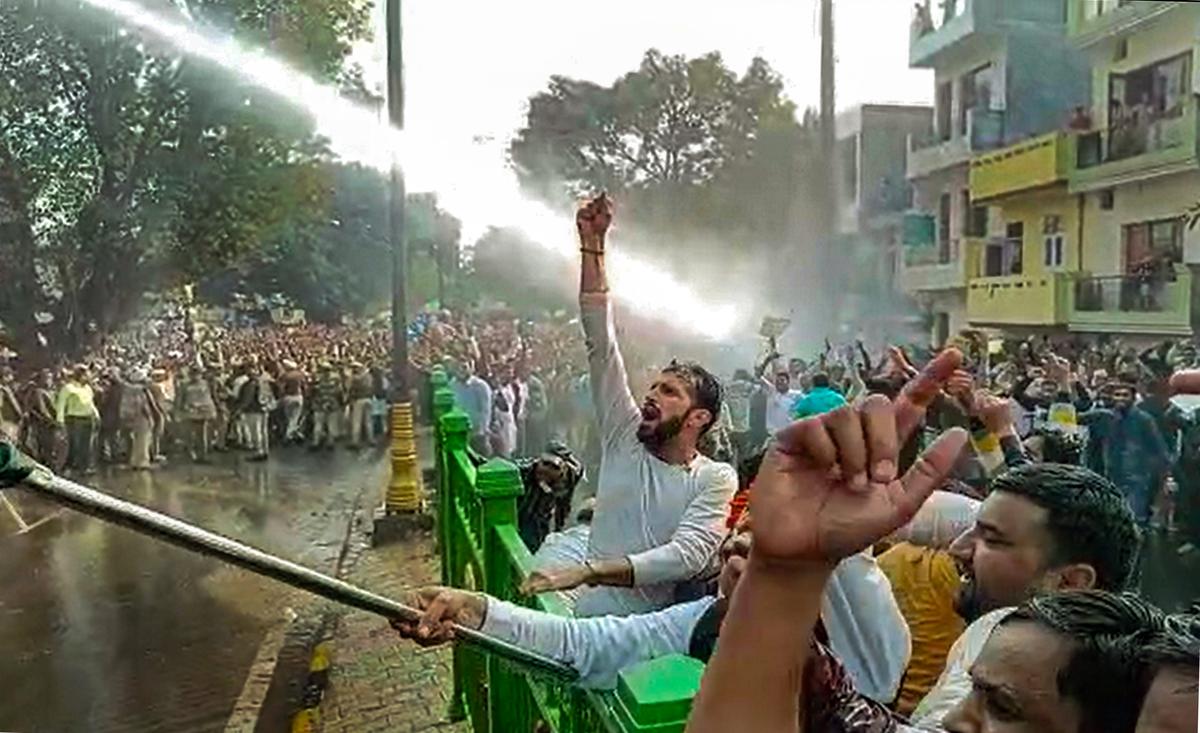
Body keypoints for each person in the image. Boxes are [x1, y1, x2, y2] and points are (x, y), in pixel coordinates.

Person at [391, 512, 912, 704]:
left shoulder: (860, 655)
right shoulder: (703, 621)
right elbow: (585, 646)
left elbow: (882, 668)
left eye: (763, 547)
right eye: (735, 540)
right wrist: (476, 610)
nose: (737, 551)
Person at [520, 195, 738, 618]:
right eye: (653, 386)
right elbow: (600, 343)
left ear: (699, 418)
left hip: (646, 644)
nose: (652, 394)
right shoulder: (625, 433)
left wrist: (589, 572)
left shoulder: (714, 478)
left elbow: (687, 556)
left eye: (670, 391)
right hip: (588, 620)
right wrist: (592, 247)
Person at [1078, 379, 1170, 527]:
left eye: (1125, 395)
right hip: (1111, 475)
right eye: (1117, 395)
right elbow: (1076, 417)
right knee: (1113, 520)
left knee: (1134, 520)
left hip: (1137, 477)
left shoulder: (1144, 419)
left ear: (1133, 398)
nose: (1120, 398)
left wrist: (1163, 476)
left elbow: (1158, 448)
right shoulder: (1104, 417)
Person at [515, 443, 585, 552]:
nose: (547, 470)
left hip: (541, 518)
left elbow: (564, 505)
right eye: (545, 463)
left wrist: (558, 530)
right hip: (520, 509)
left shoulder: (571, 477)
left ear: (563, 467)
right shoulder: (523, 470)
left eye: (554, 467)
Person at [56, 365, 100, 474]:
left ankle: (84, 468)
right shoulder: (68, 388)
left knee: (86, 445)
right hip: (74, 419)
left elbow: (91, 403)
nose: (89, 378)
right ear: (80, 375)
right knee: (74, 445)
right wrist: (60, 422)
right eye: (86, 375)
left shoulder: (87, 388)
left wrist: (96, 415)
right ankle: (68, 467)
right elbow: (61, 406)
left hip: (88, 418)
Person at [450, 359, 493, 456]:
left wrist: (482, 431)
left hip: (477, 434)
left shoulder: (481, 386)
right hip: (460, 432)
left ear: (471, 368)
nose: (461, 370)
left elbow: (485, 411)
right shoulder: (452, 385)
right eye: (458, 367)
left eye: (465, 367)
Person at [176, 366, 218, 462]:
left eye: (197, 373)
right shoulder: (184, 385)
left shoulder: (206, 384)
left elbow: (212, 396)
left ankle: (202, 455)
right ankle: (190, 453)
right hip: (189, 411)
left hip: (204, 410)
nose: (195, 376)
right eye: (193, 373)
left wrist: (215, 408)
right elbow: (180, 398)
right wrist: (179, 410)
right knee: (190, 434)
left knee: (202, 434)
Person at [309, 362, 343, 451]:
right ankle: (330, 442)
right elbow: (340, 391)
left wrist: (312, 400)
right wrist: (341, 402)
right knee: (331, 424)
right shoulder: (336, 378)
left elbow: (312, 390)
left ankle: (316, 442)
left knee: (318, 424)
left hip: (319, 404)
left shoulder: (317, 379)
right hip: (332, 404)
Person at [763, 367, 802, 436]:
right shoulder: (772, 395)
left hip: (792, 433)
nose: (779, 383)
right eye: (777, 381)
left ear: (788, 382)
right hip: (775, 434)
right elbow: (761, 380)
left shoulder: (797, 395)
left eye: (782, 380)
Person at [346, 361, 374, 449]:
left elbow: (349, 388)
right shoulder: (368, 377)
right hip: (368, 399)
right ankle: (371, 439)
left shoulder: (354, 378)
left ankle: (355, 441)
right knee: (368, 421)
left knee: (357, 422)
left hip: (358, 400)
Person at [278, 359, 306, 444]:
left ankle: (290, 435)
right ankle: (293, 434)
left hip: (288, 397)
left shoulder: (285, 376)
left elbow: (281, 387)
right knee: (295, 418)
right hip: (298, 396)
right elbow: (304, 386)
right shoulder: (300, 374)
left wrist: (281, 396)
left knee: (289, 418)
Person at [0, 367, 23, 444]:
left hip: (11, 423)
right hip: (6, 425)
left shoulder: (7, 388)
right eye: (10, 375)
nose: (12, 378)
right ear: (4, 377)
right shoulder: (1, 391)